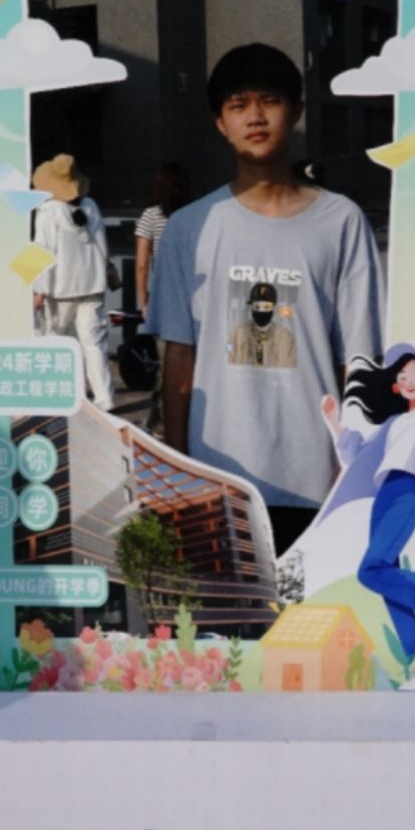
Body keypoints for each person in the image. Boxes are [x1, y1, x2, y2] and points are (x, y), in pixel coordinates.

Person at [145, 42, 384, 555]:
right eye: (238, 105)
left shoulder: (341, 222)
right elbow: (179, 357)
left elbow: (359, 359)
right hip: (218, 471)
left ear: (296, 111)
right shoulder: (188, 228)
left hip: (317, 473)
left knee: (311, 607)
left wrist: (354, 463)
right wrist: (179, 469)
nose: (255, 116)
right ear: (220, 122)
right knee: (225, 606)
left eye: (269, 101)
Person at [319, 306, 415, 690]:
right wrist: (334, 422)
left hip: (407, 493)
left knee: (369, 571)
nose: (411, 380)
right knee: (387, 584)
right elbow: (356, 456)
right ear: (396, 387)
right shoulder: (392, 423)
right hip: (384, 496)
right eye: (404, 376)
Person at [32, 153, 115, 413]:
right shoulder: (91, 206)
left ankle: (67, 392)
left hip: (60, 288)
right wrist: (106, 271)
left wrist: (39, 289)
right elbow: (102, 245)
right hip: (93, 284)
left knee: (57, 341)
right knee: (94, 343)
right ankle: (105, 397)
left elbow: (43, 251)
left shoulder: (48, 211)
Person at [135, 163, 190, 435]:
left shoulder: (151, 216)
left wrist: (143, 301)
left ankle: (161, 426)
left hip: (165, 298)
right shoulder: (193, 214)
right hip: (191, 297)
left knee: (167, 363)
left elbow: (142, 264)